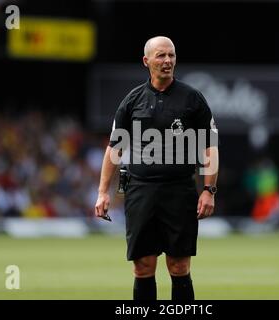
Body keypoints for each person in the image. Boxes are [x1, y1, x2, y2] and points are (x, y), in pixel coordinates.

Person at [94, 36, 219, 300]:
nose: (167, 61)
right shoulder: (132, 101)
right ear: (146, 61)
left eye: (171, 55)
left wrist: (208, 189)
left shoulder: (193, 99)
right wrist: (103, 191)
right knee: (143, 267)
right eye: (161, 56)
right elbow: (114, 148)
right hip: (140, 191)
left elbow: (210, 147)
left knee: (179, 266)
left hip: (180, 191)